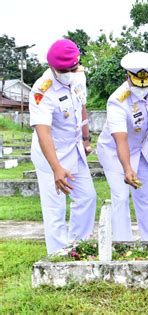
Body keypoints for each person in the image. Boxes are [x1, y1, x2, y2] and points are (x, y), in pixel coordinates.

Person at [29, 39, 96, 254]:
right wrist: (56, 168)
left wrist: (86, 139)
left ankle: (78, 247)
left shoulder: (79, 76)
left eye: (72, 68)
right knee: (55, 208)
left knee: (87, 197)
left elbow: (82, 105)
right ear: (51, 67)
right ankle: (58, 257)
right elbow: (43, 132)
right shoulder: (41, 90)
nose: (68, 73)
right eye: (63, 70)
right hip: (51, 153)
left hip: (74, 148)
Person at [96, 52, 148, 241]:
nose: (142, 88)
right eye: (136, 82)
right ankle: (122, 242)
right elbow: (121, 140)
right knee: (121, 197)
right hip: (115, 153)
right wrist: (126, 168)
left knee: (144, 196)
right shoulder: (117, 101)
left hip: (140, 148)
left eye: (146, 82)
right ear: (127, 78)